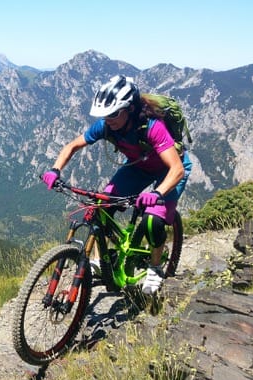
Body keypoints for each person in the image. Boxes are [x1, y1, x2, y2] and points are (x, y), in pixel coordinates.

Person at [42, 75, 192, 294]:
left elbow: (176, 169)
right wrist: (55, 170)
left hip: (169, 170)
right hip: (138, 167)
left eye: (112, 114)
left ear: (129, 109)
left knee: (153, 221)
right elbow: (73, 145)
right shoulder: (106, 126)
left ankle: (155, 267)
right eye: (104, 115)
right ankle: (98, 261)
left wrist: (157, 193)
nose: (107, 119)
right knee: (101, 206)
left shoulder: (152, 127)